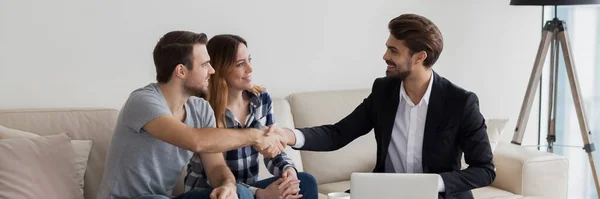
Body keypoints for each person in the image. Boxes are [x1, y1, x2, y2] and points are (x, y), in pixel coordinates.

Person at [273, 14, 496, 199]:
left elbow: (485, 170)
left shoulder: (460, 102)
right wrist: (288, 135)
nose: (385, 56)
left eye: (394, 51)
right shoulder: (383, 91)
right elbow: (338, 134)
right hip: (385, 193)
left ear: (419, 57)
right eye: (387, 48)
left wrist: (431, 184)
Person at [97, 30, 287, 199]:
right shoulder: (143, 101)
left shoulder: (201, 109)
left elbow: (216, 168)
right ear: (181, 71)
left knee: (241, 193)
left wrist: (227, 186)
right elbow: (195, 140)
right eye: (205, 65)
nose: (212, 71)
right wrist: (255, 136)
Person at [184, 34, 319, 199]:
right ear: (220, 69)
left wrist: (287, 171)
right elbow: (214, 176)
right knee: (241, 193)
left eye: (249, 60)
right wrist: (260, 194)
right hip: (213, 191)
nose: (250, 69)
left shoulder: (261, 99)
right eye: (240, 64)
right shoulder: (203, 108)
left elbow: (272, 149)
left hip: (249, 189)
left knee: (305, 181)